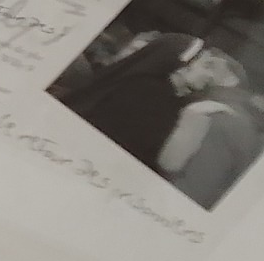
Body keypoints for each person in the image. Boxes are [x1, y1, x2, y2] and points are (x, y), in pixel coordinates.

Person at [57, 32, 206, 170]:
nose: (207, 74)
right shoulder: (151, 94)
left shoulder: (142, 84)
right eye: (201, 63)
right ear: (180, 65)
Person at [157, 48, 257, 209]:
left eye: (208, 65)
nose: (193, 68)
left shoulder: (219, 117)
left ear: (231, 79)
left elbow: (192, 191)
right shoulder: (220, 111)